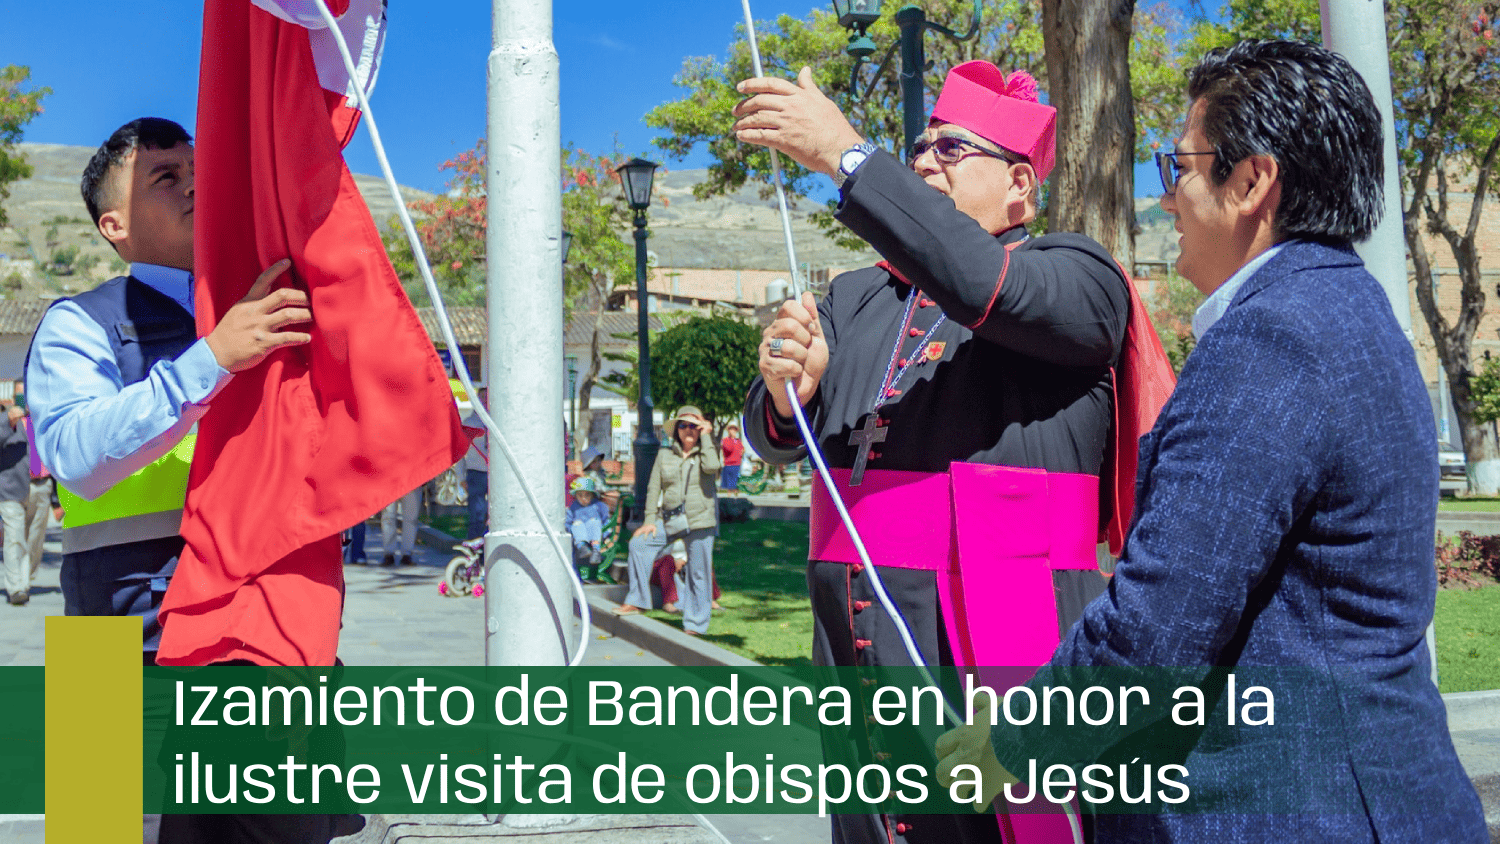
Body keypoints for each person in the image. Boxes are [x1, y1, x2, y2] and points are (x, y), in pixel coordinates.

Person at [935, 40, 1487, 842]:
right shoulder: (1352, 312)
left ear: (1253, 181)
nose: (1166, 199)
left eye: (1180, 167)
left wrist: (1011, 743)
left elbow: (1158, 625)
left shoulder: (1274, 340)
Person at [734, 61, 1170, 844]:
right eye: (918, 147)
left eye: (951, 148)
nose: (924, 160)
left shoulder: (1078, 276)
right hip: (857, 638)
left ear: (1019, 184)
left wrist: (847, 155)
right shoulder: (857, 295)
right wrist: (785, 390)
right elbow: (777, 439)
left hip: (995, 626)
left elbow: (976, 279)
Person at [26, 117, 311, 661]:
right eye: (165, 176)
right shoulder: (76, 322)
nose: (195, 184)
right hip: (105, 626)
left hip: (258, 612)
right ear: (114, 225)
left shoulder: (266, 305)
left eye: (198, 170)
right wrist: (212, 360)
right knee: (89, 725)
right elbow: (72, 455)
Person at [612, 406, 722, 635]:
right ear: (676, 430)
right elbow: (654, 488)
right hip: (671, 518)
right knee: (639, 544)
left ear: (700, 429)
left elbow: (712, 467)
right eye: (683, 425)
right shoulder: (664, 455)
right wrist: (649, 520)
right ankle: (637, 601)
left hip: (700, 520)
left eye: (693, 426)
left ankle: (695, 624)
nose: (688, 430)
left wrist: (707, 437)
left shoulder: (706, 452)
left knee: (699, 571)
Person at [0, 381, 48, 607]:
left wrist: (58, 500)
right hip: (11, 489)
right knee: (14, 538)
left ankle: (24, 580)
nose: (25, 400)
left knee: (34, 539)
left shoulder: (42, 419)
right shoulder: (6, 420)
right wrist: (7, 422)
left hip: (41, 486)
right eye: (20, 396)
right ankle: (16, 587)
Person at [565, 475, 609, 576]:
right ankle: (583, 548)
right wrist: (570, 531)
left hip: (595, 536)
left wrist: (607, 534)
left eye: (587, 495)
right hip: (580, 538)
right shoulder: (574, 507)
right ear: (575, 496)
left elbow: (606, 521)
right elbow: (568, 523)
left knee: (594, 521)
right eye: (580, 495)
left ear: (592, 495)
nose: (583, 499)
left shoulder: (598, 506)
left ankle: (596, 551)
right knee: (577, 524)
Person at [461, 388, 489, 540]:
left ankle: (487, 545)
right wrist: (461, 476)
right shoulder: (469, 423)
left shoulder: (497, 422)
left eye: (487, 398)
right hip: (475, 473)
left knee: (493, 514)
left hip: (495, 474)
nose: (485, 401)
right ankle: (474, 544)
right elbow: (460, 452)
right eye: (482, 398)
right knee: (477, 512)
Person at [380, 485, 422, 566]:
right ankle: (388, 553)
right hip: (390, 481)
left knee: (411, 519)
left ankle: (407, 554)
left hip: (412, 481)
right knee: (388, 517)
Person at [719, 422, 744, 494]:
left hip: (737, 463)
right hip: (728, 464)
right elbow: (729, 449)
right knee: (729, 483)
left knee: (736, 482)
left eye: (734, 429)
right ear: (728, 430)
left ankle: (736, 494)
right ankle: (729, 494)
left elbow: (741, 450)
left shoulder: (738, 441)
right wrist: (732, 440)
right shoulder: (725, 440)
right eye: (731, 429)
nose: (733, 431)